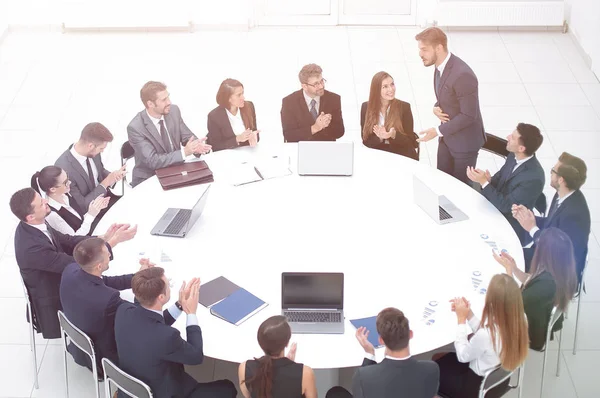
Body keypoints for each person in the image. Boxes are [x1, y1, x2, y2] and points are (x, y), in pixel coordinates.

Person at [10, 187, 137, 339]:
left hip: (62, 276)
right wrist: (113, 242)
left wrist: (102, 238)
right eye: (41, 203)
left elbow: (68, 241)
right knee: (113, 301)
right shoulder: (31, 248)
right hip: (56, 294)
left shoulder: (38, 223)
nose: (46, 201)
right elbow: (75, 262)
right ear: (30, 217)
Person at [115, 268, 237, 398]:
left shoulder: (124, 311)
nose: (170, 288)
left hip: (129, 388)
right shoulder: (167, 337)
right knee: (228, 388)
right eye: (168, 286)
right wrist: (191, 313)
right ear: (161, 297)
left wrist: (180, 305)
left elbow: (152, 323)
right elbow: (196, 357)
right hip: (164, 392)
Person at [60, 238, 155, 377]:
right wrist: (146, 285)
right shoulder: (108, 299)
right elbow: (138, 316)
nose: (110, 256)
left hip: (79, 345)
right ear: (99, 266)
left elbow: (105, 282)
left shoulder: (70, 271)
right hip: (104, 357)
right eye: (107, 255)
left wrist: (138, 276)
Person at [435, 274, 529, 398]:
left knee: (435, 364)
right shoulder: (522, 318)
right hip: (499, 382)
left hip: (475, 388)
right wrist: (469, 314)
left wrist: (461, 320)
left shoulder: (486, 335)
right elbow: (487, 336)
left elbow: (463, 356)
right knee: (443, 358)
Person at [415, 27, 486, 184]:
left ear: (439, 48)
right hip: (448, 138)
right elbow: (448, 94)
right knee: (442, 182)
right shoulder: (440, 67)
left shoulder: (463, 75)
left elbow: (468, 115)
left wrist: (437, 131)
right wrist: (436, 106)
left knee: (459, 189)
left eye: (424, 50)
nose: (420, 54)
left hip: (464, 144)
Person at [512, 152, 591, 284]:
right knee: (508, 254)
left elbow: (557, 251)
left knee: (508, 265)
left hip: (557, 271)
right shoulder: (562, 194)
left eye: (553, 171)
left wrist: (532, 228)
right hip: (545, 256)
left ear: (561, 180)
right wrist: (529, 217)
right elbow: (553, 224)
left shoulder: (574, 214)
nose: (551, 174)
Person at [493, 228, 577, 350]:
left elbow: (513, 304)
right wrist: (515, 269)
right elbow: (532, 279)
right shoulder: (561, 271)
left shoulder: (545, 287)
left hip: (528, 332)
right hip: (538, 317)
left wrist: (509, 272)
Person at [325, 308, 439, 398]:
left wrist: (369, 354)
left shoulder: (364, 376)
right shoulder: (431, 369)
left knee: (335, 393)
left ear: (381, 340)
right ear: (410, 334)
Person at [467, 123, 545, 244]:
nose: (508, 137)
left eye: (513, 137)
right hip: (495, 205)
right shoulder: (513, 156)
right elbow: (500, 177)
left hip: (508, 222)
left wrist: (484, 183)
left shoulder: (533, 178)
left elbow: (506, 207)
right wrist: (489, 180)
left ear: (521, 149)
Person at [127, 81, 212, 187]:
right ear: (150, 104)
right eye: (164, 100)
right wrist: (184, 152)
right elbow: (152, 161)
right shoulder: (135, 127)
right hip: (150, 177)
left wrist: (197, 146)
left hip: (174, 171)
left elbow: (186, 136)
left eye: (168, 97)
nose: (169, 102)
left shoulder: (173, 111)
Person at [55, 122, 125, 213]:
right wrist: (106, 182)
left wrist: (113, 176)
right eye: (101, 148)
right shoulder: (63, 170)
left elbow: (99, 171)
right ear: (91, 146)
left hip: (106, 197)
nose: (102, 151)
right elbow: (82, 206)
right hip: (92, 213)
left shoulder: (93, 153)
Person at [239, 315, 317, 398]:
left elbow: (249, 395)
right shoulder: (305, 373)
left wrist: (289, 364)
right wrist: (292, 367)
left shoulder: (244, 368)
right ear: (287, 343)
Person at [31, 166, 109, 236]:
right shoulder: (52, 214)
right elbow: (74, 239)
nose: (70, 182)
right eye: (65, 182)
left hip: (91, 232)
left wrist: (94, 208)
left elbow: (78, 219)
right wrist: (91, 215)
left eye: (68, 177)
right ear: (53, 189)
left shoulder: (66, 194)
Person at [360, 72, 418, 160]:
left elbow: (411, 141)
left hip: (402, 155)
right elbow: (365, 140)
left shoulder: (404, 107)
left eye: (392, 84)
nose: (391, 89)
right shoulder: (366, 107)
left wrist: (393, 134)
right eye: (385, 86)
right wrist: (379, 138)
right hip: (379, 155)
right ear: (376, 90)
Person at [281, 63, 345, 142]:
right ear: (304, 86)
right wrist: (315, 128)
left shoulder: (333, 99)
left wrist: (325, 125)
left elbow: (340, 132)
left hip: (327, 149)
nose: (321, 86)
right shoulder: (289, 102)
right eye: (316, 84)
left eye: (322, 81)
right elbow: (289, 135)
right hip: (300, 149)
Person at [207, 79, 260, 151]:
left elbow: (254, 131)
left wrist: (254, 136)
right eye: (239, 95)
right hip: (228, 155)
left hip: (248, 152)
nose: (243, 98)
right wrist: (237, 139)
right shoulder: (214, 116)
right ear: (228, 98)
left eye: (242, 93)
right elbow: (216, 146)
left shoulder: (249, 106)